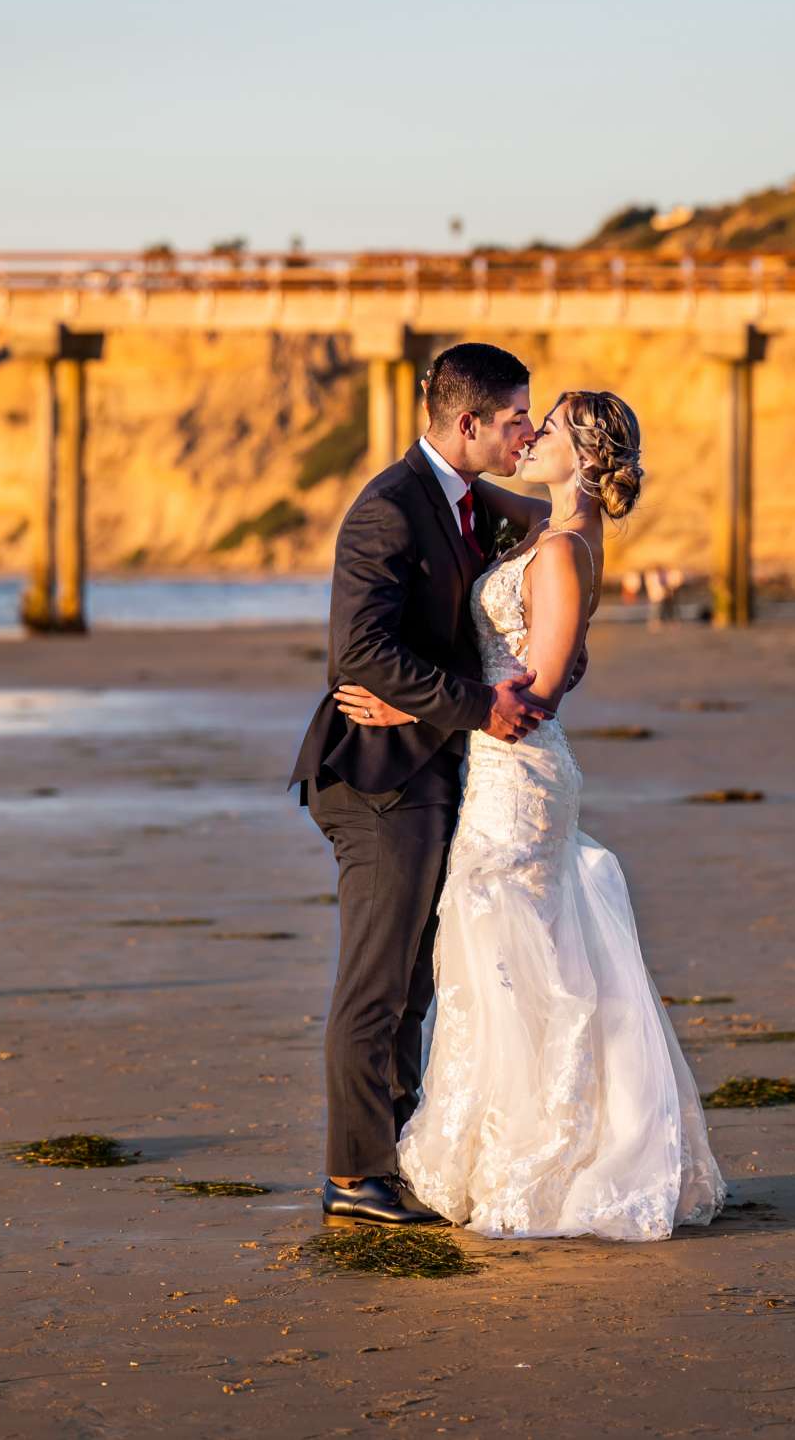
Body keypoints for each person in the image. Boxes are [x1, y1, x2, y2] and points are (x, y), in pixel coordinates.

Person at [333, 391, 728, 1241]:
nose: (530, 435)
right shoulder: (552, 531)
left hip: (518, 774)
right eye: (527, 420)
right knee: (498, 959)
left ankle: (545, 1161)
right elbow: (473, 497)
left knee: (516, 956)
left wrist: (411, 710)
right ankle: (508, 1153)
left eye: (545, 428)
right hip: (495, 767)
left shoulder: (559, 553)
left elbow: (539, 693)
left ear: (582, 456)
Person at [287, 343, 554, 1227]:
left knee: (417, 982)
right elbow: (358, 655)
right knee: (378, 980)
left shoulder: (469, 500)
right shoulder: (390, 509)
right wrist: (476, 705)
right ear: (468, 422)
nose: (527, 429)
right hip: (374, 779)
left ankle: (394, 1157)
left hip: (431, 767)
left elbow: (553, 524)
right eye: (516, 417)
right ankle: (353, 1176)